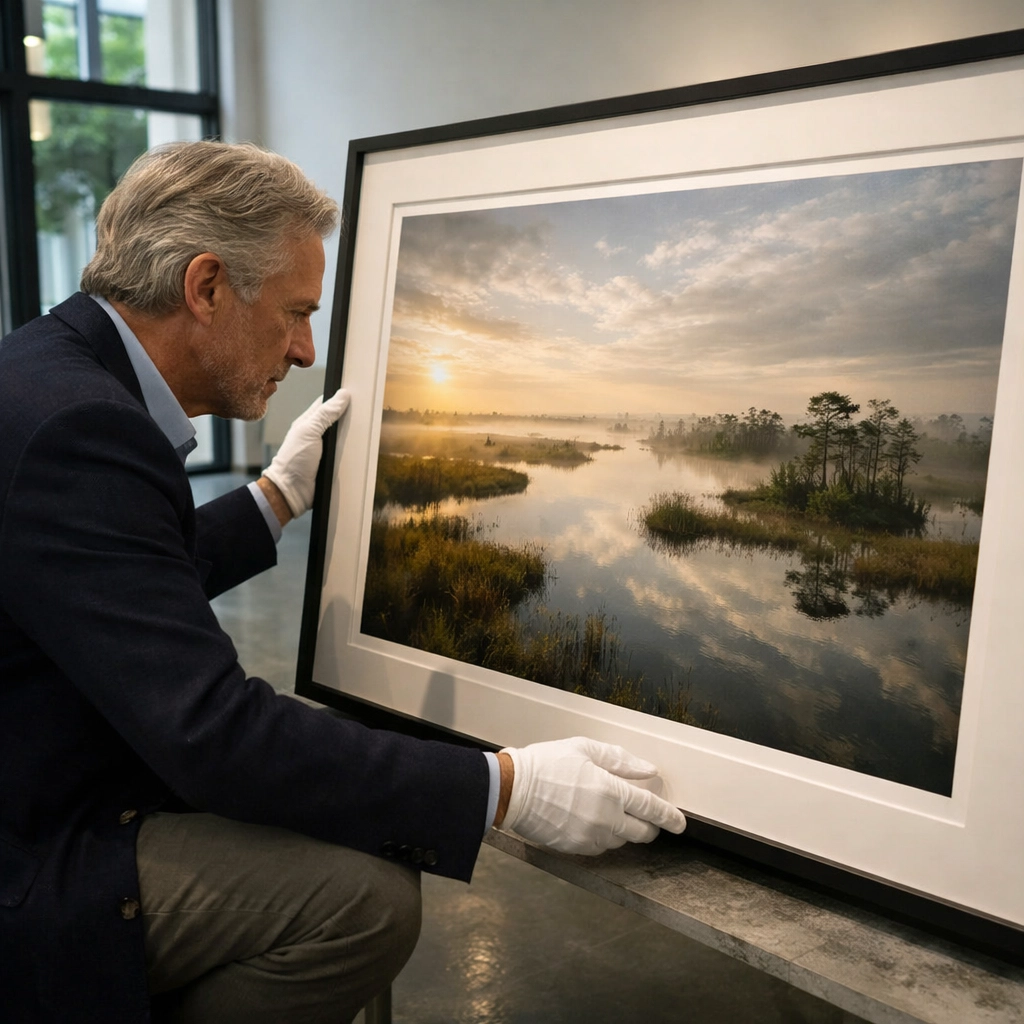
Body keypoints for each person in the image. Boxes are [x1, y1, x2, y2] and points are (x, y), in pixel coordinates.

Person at [0, 141, 686, 1024]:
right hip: (32, 848)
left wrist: (274, 499)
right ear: (206, 288)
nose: (304, 348)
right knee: (366, 898)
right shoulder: (87, 426)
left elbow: (113, 588)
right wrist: (506, 787)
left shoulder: (49, 371)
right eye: (293, 312)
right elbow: (211, 734)